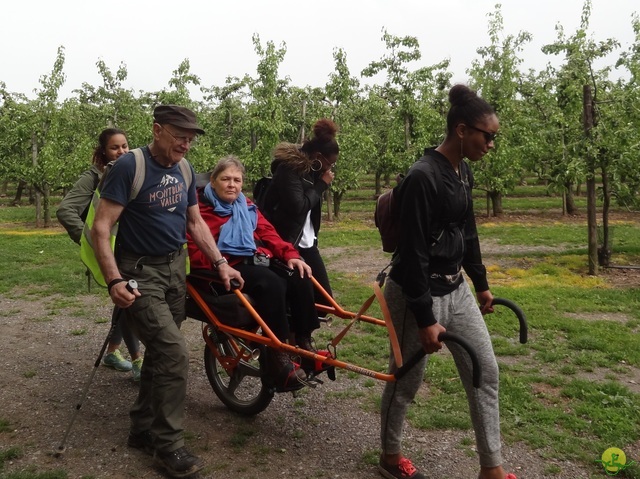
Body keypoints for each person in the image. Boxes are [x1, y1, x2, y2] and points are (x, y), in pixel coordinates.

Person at [91, 105, 243, 479]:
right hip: (140, 272)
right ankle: (168, 447)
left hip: (176, 269)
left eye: (190, 138)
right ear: (157, 130)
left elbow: (195, 222)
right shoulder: (130, 167)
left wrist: (220, 262)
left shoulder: (186, 169)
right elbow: (101, 227)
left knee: (160, 354)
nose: (186, 144)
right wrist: (114, 281)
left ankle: (142, 429)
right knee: (174, 351)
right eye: (179, 136)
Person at [378, 85, 517, 479]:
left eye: (494, 137)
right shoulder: (424, 177)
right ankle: (389, 458)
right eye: (487, 136)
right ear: (461, 130)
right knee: (406, 381)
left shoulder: (462, 170)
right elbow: (416, 252)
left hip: (456, 291)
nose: (491, 144)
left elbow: (466, 229)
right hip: (415, 293)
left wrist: (481, 282)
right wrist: (424, 318)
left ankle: (491, 468)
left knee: (485, 371)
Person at [188, 155, 321, 390]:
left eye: (237, 180)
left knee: (299, 275)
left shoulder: (246, 206)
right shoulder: (198, 210)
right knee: (271, 283)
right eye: (225, 179)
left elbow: (269, 234)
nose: (232, 185)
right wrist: (220, 263)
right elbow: (193, 249)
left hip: (249, 262)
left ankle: (302, 340)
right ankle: (277, 354)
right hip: (218, 270)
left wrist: (292, 255)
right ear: (213, 181)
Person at [56, 128, 143, 380]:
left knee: (125, 299)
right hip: (111, 251)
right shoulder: (94, 176)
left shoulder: (130, 173)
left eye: (125, 146)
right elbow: (66, 210)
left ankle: (112, 352)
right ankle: (138, 361)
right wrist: (90, 238)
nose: (122, 151)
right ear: (103, 151)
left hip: (132, 248)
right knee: (129, 301)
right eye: (115, 147)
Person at [260, 118, 338, 305]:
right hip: (288, 240)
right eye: (330, 163)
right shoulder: (289, 169)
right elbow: (298, 207)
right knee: (295, 298)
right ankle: (293, 333)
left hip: (307, 242)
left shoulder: (312, 170)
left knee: (323, 301)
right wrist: (321, 185)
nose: (330, 168)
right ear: (318, 156)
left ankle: (298, 332)